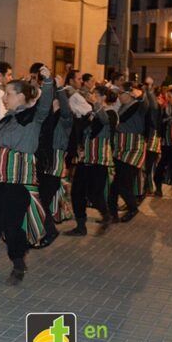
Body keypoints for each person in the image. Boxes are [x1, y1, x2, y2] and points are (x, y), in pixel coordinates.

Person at [0, 67, 53, 285]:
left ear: (21, 96)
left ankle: (19, 265)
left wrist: (48, 80)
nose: (4, 98)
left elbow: (45, 104)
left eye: (8, 94)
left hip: (18, 183)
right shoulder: (6, 120)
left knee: (12, 226)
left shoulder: (34, 117)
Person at [65, 86, 118, 237]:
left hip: (99, 159)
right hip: (85, 158)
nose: (92, 96)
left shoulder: (111, 112)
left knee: (95, 193)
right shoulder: (92, 112)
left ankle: (107, 216)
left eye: (95, 94)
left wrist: (96, 105)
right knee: (77, 192)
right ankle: (81, 226)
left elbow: (104, 121)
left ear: (102, 96)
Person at [34, 67, 72, 248]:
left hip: (54, 166)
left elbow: (65, 110)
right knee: (39, 199)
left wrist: (62, 89)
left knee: (42, 200)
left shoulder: (64, 120)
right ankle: (40, 231)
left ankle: (50, 231)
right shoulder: (47, 118)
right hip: (43, 163)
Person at [108, 82, 149, 223]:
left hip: (133, 148)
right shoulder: (122, 106)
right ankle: (111, 214)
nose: (119, 96)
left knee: (121, 183)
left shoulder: (138, 105)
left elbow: (149, 105)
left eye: (121, 93)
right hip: (120, 148)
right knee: (115, 184)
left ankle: (132, 208)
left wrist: (144, 91)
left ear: (129, 94)